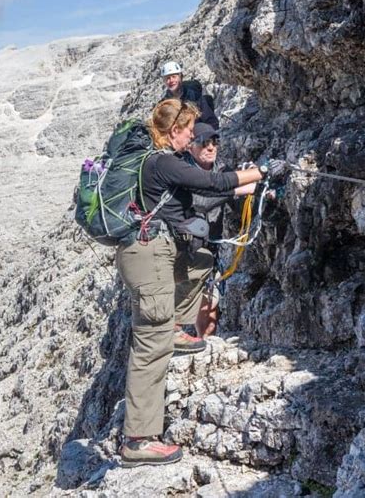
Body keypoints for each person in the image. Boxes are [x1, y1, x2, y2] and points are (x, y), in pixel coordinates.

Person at [116, 98, 285, 467]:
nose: (194, 137)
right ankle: (139, 439)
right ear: (173, 131)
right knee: (150, 346)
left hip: (149, 252)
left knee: (189, 278)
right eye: (190, 131)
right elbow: (212, 183)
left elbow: (209, 190)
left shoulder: (150, 159)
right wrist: (261, 170)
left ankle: (175, 328)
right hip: (149, 256)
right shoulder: (163, 161)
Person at [183, 122, 256, 337]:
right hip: (184, 252)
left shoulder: (221, 171)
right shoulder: (182, 171)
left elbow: (236, 205)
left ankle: (204, 344)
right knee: (192, 305)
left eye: (214, 142)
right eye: (203, 142)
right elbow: (200, 201)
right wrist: (238, 188)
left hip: (208, 250)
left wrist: (257, 193)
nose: (210, 147)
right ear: (190, 146)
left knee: (209, 307)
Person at [160, 60, 219, 129]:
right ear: (164, 81)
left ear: (181, 77)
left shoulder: (195, 97)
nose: (171, 80)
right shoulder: (164, 105)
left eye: (174, 76)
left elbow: (211, 121)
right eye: (167, 78)